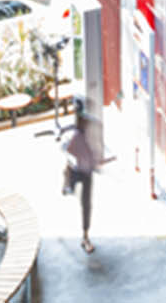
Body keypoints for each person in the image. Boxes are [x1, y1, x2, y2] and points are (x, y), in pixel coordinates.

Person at [61, 99, 97, 252]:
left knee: (86, 204)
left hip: (87, 172)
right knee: (71, 179)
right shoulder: (76, 136)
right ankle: (67, 183)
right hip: (78, 170)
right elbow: (67, 149)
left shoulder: (88, 134)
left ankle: (85, 236)